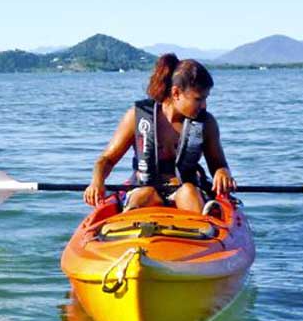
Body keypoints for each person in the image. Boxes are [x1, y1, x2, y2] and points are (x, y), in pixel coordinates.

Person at [83, 54, 236, 213]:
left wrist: (223, 172)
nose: (204, 106)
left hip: (185, 189)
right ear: (176, 93)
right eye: (198, 99)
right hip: (144, 188)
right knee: (145, 194)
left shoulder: (207, 123)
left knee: (188, 192)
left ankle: (204, 228)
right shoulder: (137, 117)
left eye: (205, 99)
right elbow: (106, 160)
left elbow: (218, 164)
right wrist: (97, 181)